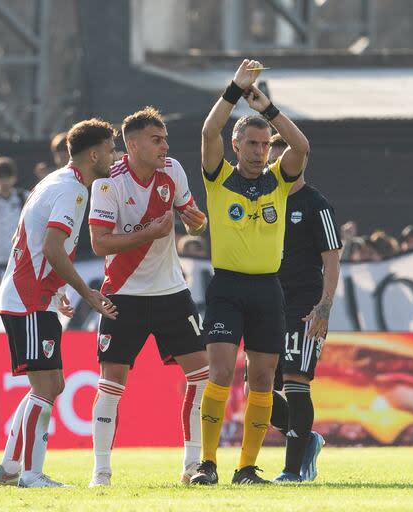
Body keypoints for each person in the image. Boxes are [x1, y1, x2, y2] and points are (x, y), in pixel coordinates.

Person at [191, 59, 310, 486]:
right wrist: (234, 90)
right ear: (236, 146)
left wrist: (270, 108)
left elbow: (302, 147)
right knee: (221, 373)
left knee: (261, 379)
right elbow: (208, 133)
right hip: (227, 287)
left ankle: (246, 469)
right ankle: (207, 463)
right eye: (254, 144)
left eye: (265, 145)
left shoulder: (279, 180)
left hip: (266, 290)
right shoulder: (218, 178)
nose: (261, 152)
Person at [87, 107, 210, 487]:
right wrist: (150, 233)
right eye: (157, 140)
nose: (165, 146)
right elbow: (98, 242)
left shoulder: (172, 170)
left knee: (202, 376)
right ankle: (102, 471)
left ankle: (193, 465)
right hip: (123, 294)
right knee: (112, 383)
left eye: (166, 139)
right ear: (134, 144)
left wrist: (195, 218)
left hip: (172, 291)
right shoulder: (108, 182)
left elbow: (191, 213)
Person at [0, 119, 118, 488]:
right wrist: (84, 291)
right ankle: (30, 474)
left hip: (36, 293)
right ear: (93, 154)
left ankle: (11, 466)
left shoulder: (58, 182)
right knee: (45, 386)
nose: (114, 156)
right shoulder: (72, 191)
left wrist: (59, 287)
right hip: (28, 297)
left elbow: (42, 247)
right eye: (110, 149)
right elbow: (49, 246)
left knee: (53, 384)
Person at [259, 133, 342, 483]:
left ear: (300, 163)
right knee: (258, 389)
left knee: (296, 380)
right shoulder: (263, 200)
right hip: (265, 303)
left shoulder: (316, 204)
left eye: (286, 161)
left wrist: (324, 307)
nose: (281, 168)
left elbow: (333, 259)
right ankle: (307, 438)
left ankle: (293, 471)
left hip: (304, 306)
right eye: (274, 162)